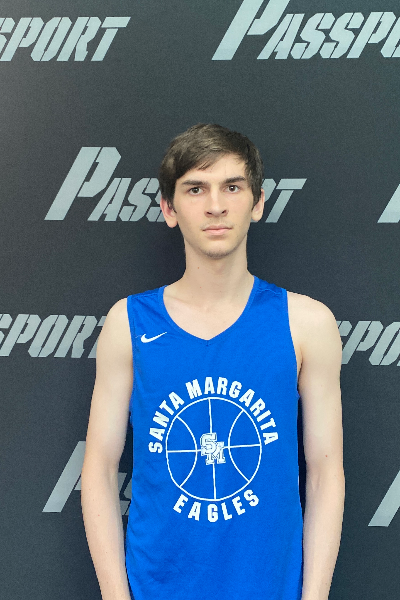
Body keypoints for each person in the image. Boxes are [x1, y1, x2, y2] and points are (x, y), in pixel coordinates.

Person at [80, 123, 345, 600]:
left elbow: (326, 473)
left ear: (258, 202)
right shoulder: (129, 323)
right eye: (195, 189)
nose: (216, 205)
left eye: (233, 187)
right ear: (168, 208)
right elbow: (98, 469)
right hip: (154, 587)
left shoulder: (307, 323)